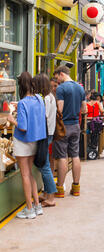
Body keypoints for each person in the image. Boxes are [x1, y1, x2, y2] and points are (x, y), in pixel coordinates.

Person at [7, 72, 47, 219]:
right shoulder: (39, 99)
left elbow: (22, 127)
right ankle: (37, 205)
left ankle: (29, 209)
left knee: (24, 175)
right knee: (30, 174)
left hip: (23, 142)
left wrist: (12, 120)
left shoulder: (23, 103)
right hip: (35, 141)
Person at [52, 65, 87, 199]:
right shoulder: (80, 87)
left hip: (63, 127)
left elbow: (59, 109)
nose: (57, 81)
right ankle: (76, 187)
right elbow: (84, 109)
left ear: (61, 74)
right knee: (75, 155)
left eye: (57, 78)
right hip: (75, 126)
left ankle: (60, 189)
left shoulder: (61, 88)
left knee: (62, 157)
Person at [33, 73, 57, 208]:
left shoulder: (46, 99)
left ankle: (51, 197)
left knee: (44, 165)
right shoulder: (50, 97)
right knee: (44, 163)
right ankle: (47, 193)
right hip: (49, 133)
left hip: (44, 134)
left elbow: (43, 117)